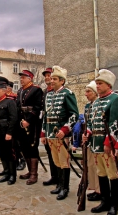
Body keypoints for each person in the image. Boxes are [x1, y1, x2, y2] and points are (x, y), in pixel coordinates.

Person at [83, 69, 118, 215]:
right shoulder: (96, 102)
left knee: (112, 175)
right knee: (101, 174)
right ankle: (105, 201)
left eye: (100, 83)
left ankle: (114, 205)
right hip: (95, 144)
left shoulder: (116, 99)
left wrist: (109, 143)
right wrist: (87, 134)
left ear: (108, 84)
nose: (97, 86)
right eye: (97, 83)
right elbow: (92, 123)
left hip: (108, 145)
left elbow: (115, 124)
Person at [41, 66, 79, 200]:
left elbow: (74, 115)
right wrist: (43, 133)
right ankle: (59, 185)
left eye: (54, 79)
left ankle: (65, 188)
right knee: (56, 161)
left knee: (64, 161)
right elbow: (45, 115)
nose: (51, 81)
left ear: (62, 81)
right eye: (51, 78)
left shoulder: (68, 93)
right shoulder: (49, 94)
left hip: (62, 134)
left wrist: (65, 129)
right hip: (51, 134)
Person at [16, 69, 44, 185]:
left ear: (30, 78)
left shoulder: (36, 90)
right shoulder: (20, 91)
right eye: (21, 77)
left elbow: (38, 107)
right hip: (22, 122)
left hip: (32, 123)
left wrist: (28, 120)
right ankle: (29, 171)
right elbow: (18, 106)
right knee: (24, 147)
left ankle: (34, 174)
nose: (21, 79)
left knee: (32, 147)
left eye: (23, 77)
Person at [83, 81, 101, 202]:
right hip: (88, 140)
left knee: (98, 166)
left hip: (97, 140)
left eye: (88, 91)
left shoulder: (99, 104)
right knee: (90, 165)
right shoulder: (87, 106)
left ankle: (100, 191)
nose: (86, 94)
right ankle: (95, 189)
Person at [41, 67, 59, 186]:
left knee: (59, 156)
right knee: (50, 153)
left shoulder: (62, 92)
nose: (48, 78)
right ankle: (54, 176)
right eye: (46, 76)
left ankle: (61, 180)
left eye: (50, 76)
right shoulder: (45, 92)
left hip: (57, 129)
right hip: (47, 126)